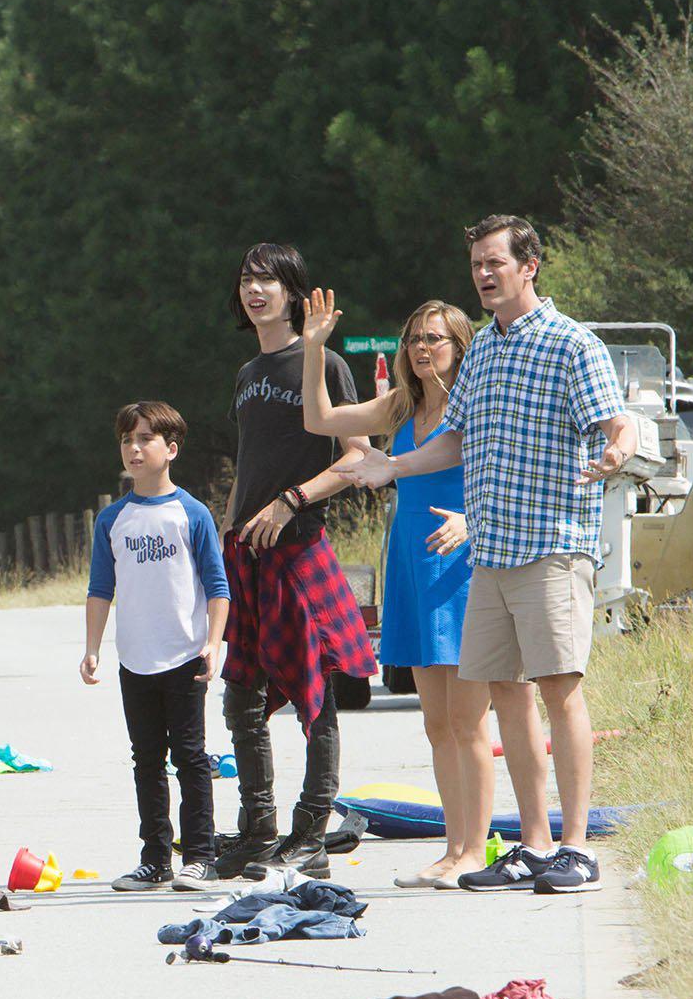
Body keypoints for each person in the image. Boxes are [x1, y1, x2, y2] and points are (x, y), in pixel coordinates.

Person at [345, 215, 637, 893]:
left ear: (528, 267)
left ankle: (576, 849)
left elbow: (616, 420)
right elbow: (456, 439)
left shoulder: (572, 344)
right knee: (507, 696)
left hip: (552, 547)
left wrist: (617, 450)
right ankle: (534, 845)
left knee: (559, 690)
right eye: (476, 263)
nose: (482, 274)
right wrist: (394, 466)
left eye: (494, 262)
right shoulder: (482, 353)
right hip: (492, 555)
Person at [295, 288, 502, 887]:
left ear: (460, 345)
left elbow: (505, 478)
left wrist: (472, 521)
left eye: (434, 338)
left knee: (469, 723)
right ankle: (454, 848)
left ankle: (476, 850)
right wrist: (314, 350)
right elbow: (319, 420)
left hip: (461, 566)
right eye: (413, 338)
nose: (421, 348)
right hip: (412, 565)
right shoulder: (400, 407)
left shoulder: (477, 405)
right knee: (437, 724)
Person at [216, 241, 375, 880]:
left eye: (268, 280)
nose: (255, 290)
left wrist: (292, 501)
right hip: (247, 556)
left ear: (293, 292)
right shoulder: (247, 373)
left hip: (300, 547)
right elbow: (248, 463)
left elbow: (358, 455)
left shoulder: (323, 361)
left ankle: (310, 834)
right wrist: (227, 533)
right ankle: (258, 834)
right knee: (241, 700)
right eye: (246, 280)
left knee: (315, 697)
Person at [82, 401, 231, 890]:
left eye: (145, 438)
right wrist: (93, 648)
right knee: (146, 760)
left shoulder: (192, 514)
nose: (134, 448)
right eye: (127, 439)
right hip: (135, 660)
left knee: (191, 757)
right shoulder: (112, 520)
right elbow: (100, 589)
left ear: (171, 449)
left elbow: (218, 587)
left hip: (185, 656)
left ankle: (201, 856)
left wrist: (213, 643)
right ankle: (155, 859)